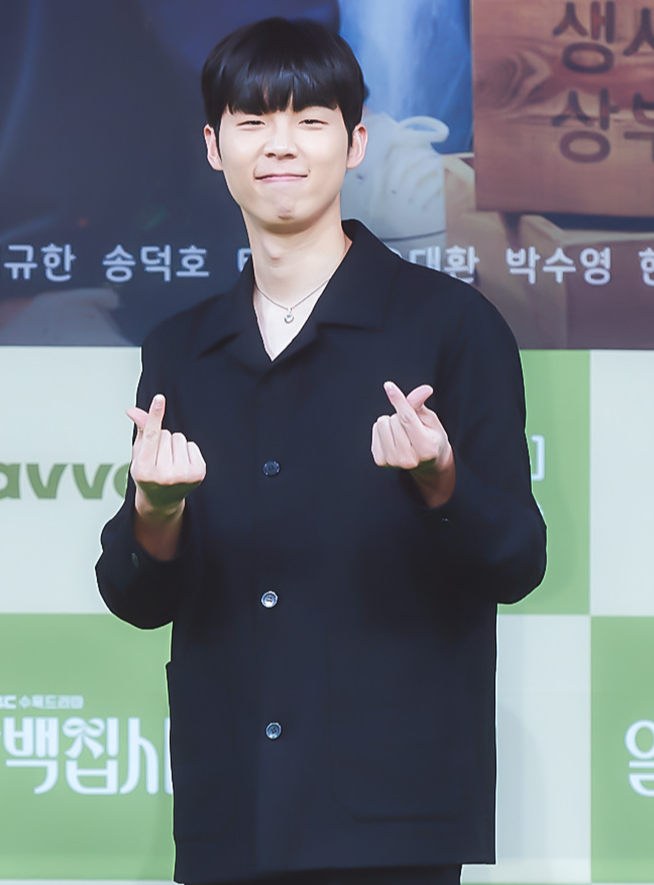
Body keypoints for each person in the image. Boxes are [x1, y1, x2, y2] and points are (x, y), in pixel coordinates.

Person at [96, 16, 547, 885]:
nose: (281, 145)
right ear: (213, 146)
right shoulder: (181, 348)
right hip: (233, 809)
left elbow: (518, 560)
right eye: (253, 121)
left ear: (357, 142)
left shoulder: (452, 326)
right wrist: (155, 511)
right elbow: (136, 595)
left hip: (393, 815)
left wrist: (440, 481)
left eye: (310, 120)